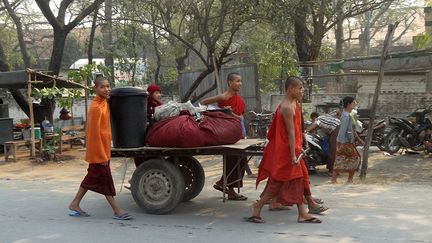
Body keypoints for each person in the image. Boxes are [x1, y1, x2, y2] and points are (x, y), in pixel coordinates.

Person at [245, 76, 321, 224]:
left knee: (299, 179)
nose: (302, 90)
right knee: (278, 182)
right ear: (290, 89)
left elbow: (298, 129)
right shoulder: (286, 107)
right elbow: (291, 132)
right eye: (300, 88)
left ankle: (303, 212)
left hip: (294, 148)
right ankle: (257, 206)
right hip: (285, 151)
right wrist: (293, 154)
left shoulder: (295, 103)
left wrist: (303, 142)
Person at [68, 76, 132, 220]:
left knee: (91, 179)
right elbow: (94, 135)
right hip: (99, 152)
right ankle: (116, 210)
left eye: (108, 86)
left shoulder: (103, 102)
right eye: (102, 87)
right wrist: (102, 155)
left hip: (104, 149)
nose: (106, 89)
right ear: (95, 89)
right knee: (105, 181)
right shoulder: (96, 108)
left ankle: (74, 203)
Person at [200, 72, 250, 200]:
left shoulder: (238, 98)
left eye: (241, 81)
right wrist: (220, 112)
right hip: (227, 132)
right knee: (233, 160)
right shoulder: (223, 97)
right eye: (237, 81)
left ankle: (222, 183)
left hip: (239, 129)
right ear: (230, 82)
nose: (240, 84)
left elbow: (240, 117)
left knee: (241, 160)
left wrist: (231, 113)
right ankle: (230, 190)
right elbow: (203, 102)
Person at [332, 96, 362, 184]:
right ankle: (347, 179)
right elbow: (343, 130)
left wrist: (358, 138)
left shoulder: (351, 114)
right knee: (354, 158)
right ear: (349, 104)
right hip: (344, 141)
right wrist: (340, 143)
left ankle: (344, 179)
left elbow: (352, 129)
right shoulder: (346, 116)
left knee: (343, 158)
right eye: (353, 103)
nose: (355, 104)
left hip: (348, 141)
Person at [305, 110, 341, 176]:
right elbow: (336, 111)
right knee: (330, 150)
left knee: (332, 151)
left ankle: (332, 171)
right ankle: (330, 168)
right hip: (335, 128)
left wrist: (305, 131)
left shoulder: (318, 119)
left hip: (336, 128)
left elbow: (314, 124)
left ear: (314, 118)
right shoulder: (325, 117)